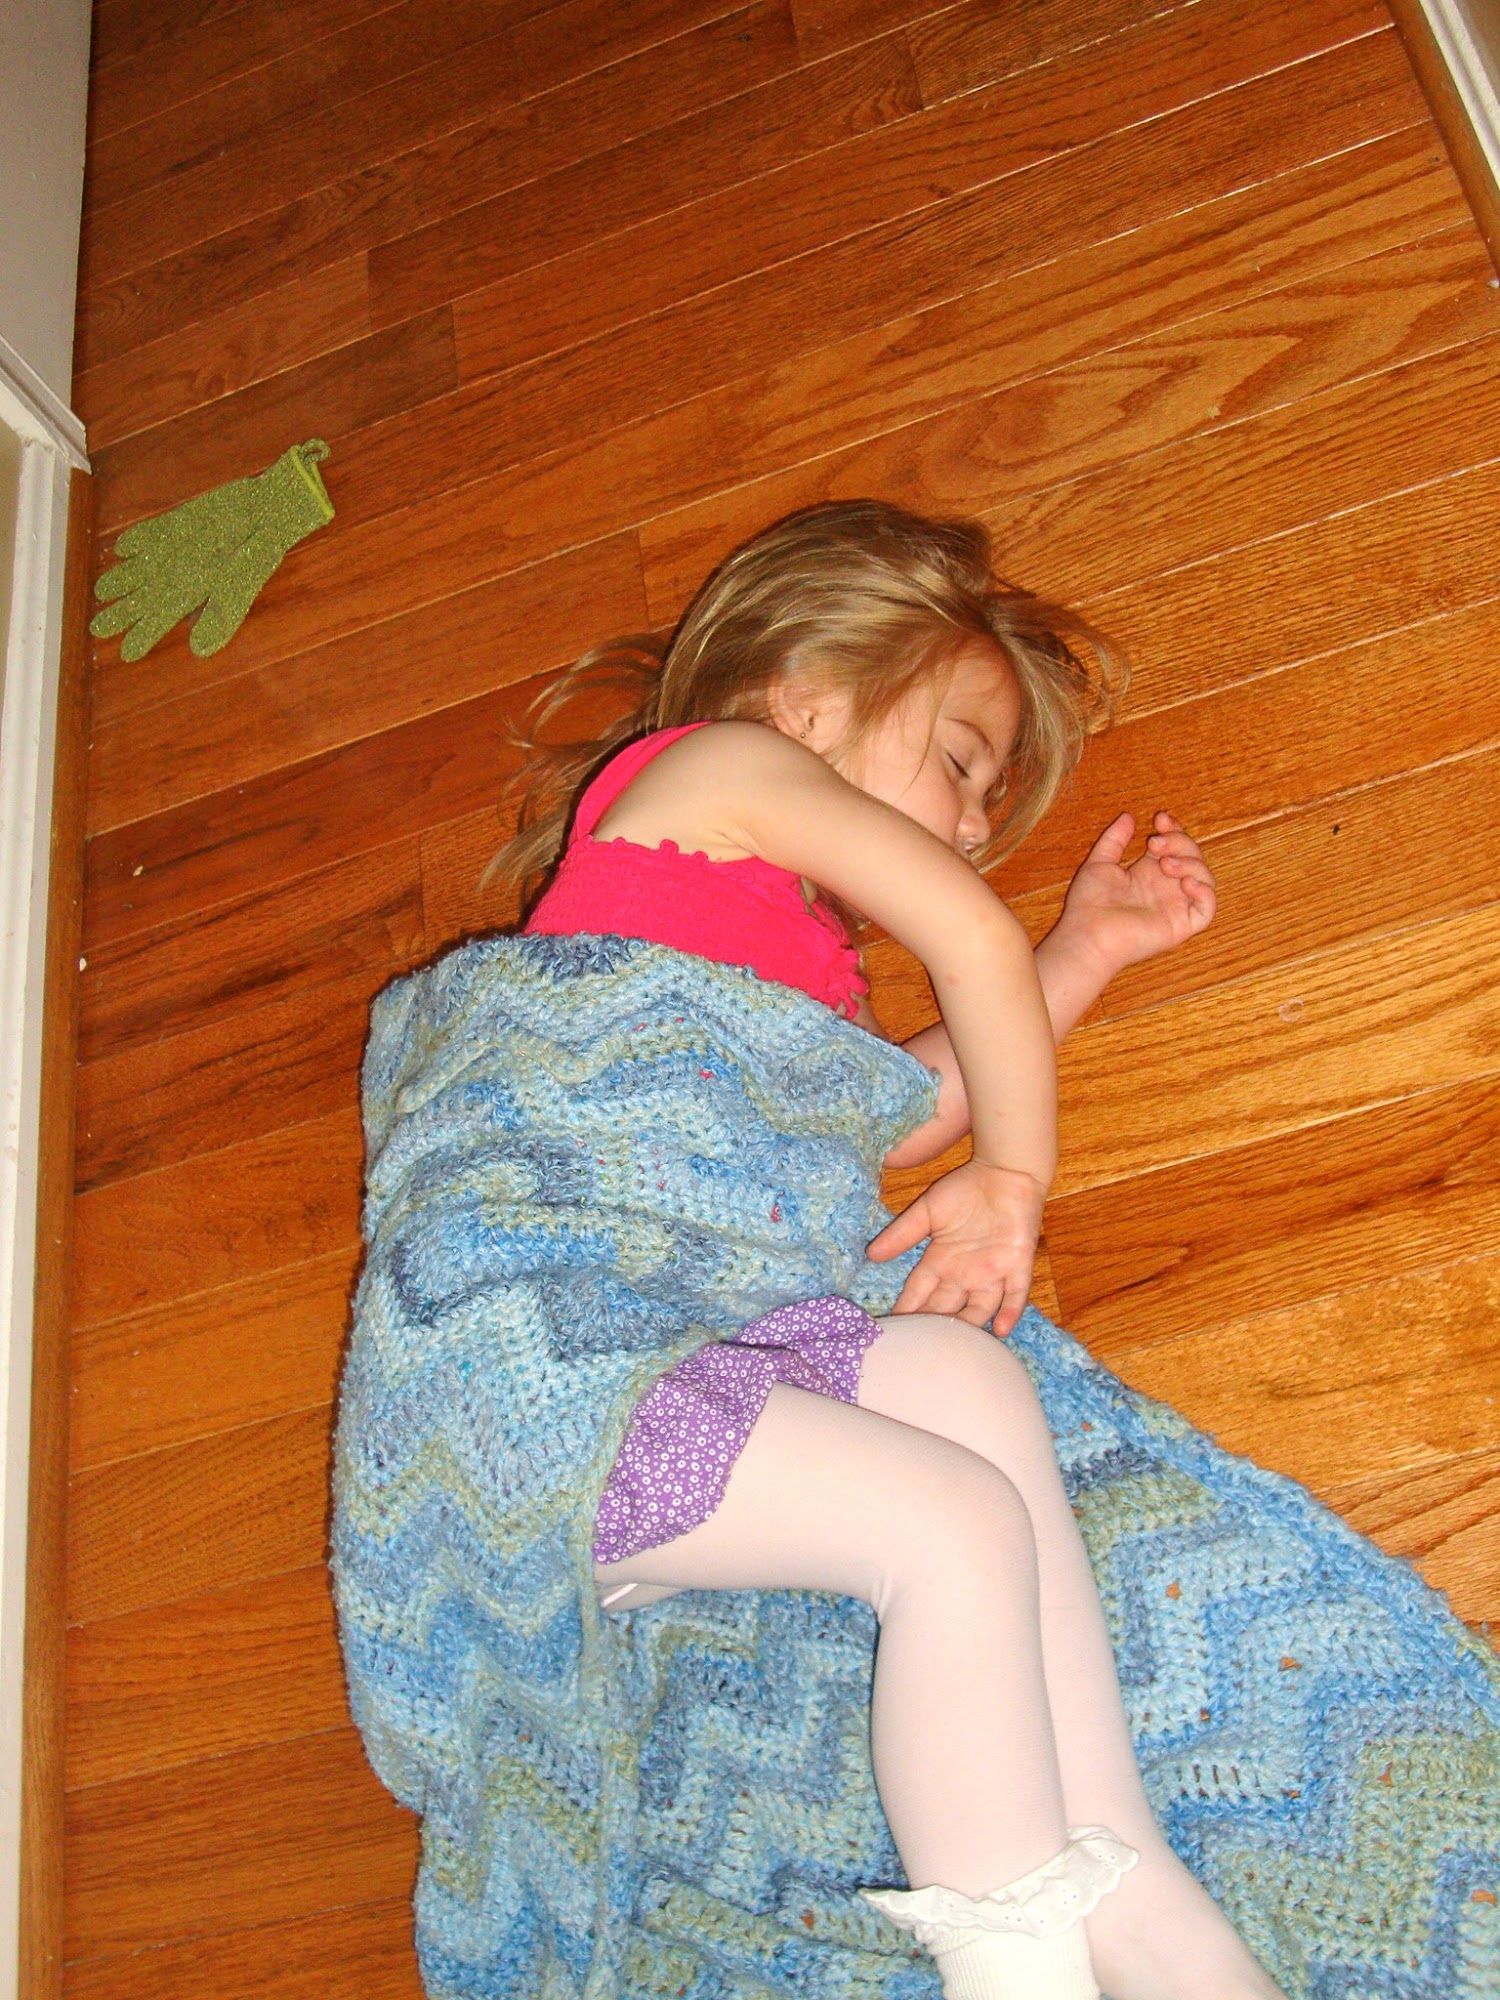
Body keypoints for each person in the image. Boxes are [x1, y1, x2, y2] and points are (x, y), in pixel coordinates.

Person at [483, 499, 1286, 2000]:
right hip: (549, 1383)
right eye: (966, 764)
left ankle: (1125, 1876)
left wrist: (1085, 953)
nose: (980, 826)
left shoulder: (778, 963)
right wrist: (1017, 1177)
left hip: (665, 1388)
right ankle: (1018, 1973)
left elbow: (895, 1109)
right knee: (949, 1527)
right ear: (803, 702)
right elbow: (967, 946)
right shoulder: (709, 773)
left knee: (968, 1387)